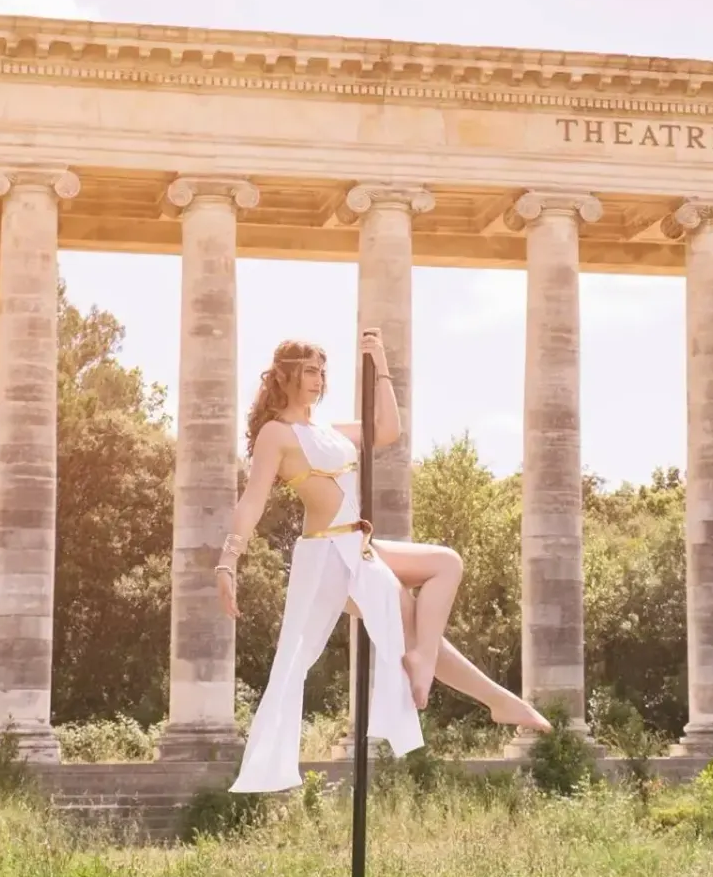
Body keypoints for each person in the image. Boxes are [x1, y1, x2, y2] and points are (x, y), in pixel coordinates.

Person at [219, 329, 552, 793]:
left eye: (322, 371)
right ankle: (482, 692)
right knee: (368, 632)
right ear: (285, 376)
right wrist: (228, 561)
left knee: (444, 566)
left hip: (359, 545)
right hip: (328, 556)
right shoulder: (277, 433)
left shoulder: (327, 430)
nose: (318, 380)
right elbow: (252, 500)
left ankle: (435, 665)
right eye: (309, 371)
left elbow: (389, 430)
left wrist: (382, 365)